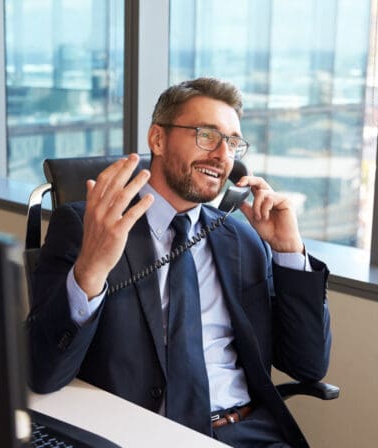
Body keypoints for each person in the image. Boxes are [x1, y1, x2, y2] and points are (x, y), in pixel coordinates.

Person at [27, 77, 331, 447]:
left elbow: (308, 366)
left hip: (249, 433)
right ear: (157, 139)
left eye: (232, 142)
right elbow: (42, 372)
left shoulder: (241, 239)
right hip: (144, 435)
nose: (223, 156)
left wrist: (288, 252)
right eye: (207, 135)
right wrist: (91, 268)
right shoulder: (88, 227)